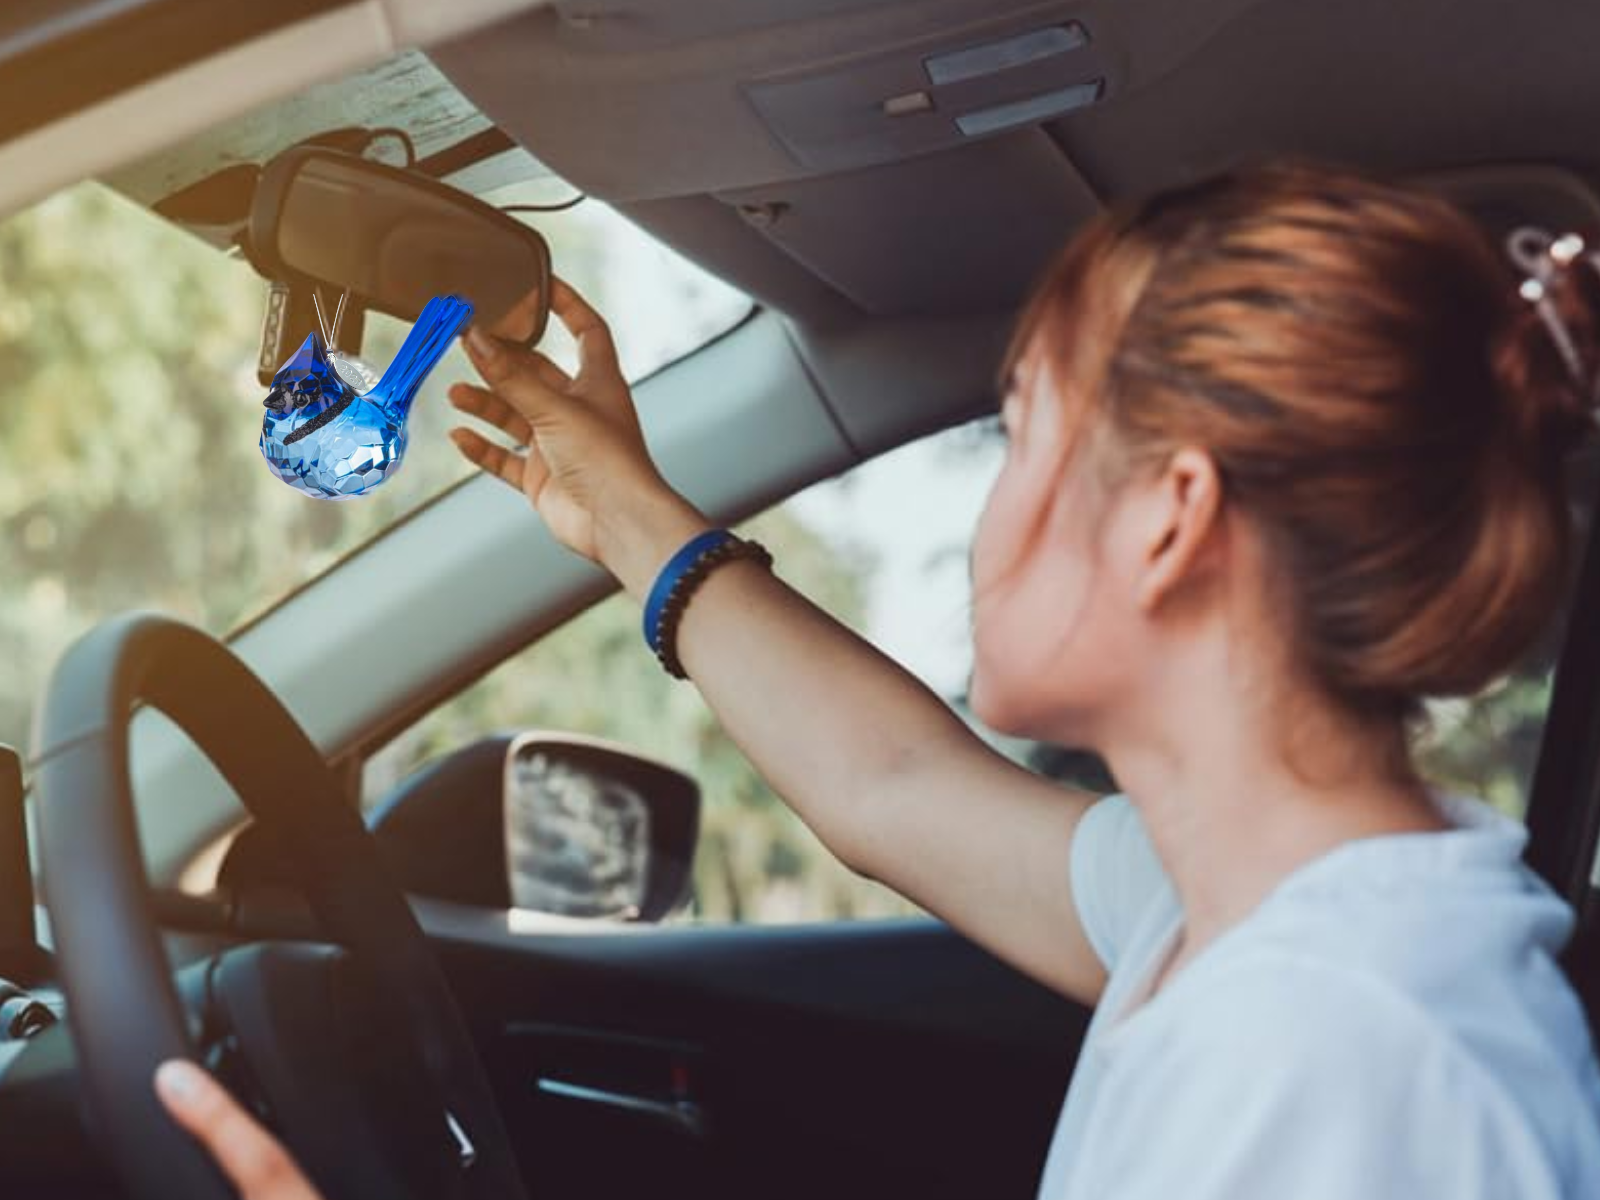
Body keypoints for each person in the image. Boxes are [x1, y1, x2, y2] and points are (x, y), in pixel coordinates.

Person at [154, 162, 1600, 1198]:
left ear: (1172, 517)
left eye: (1021, 428)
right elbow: (892, 785)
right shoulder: (1245, 913)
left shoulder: (1350, 1065)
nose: (992, 505)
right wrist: (622, 512)